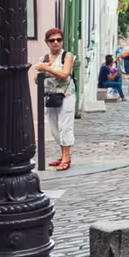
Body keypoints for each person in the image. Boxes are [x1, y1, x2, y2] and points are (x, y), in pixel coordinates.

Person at [38, 27, 75, 170]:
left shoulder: (67, 56)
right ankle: (63, 155)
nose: (55, 43)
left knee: (65, 125)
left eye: (58, 39)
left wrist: (46, 69)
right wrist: (40, 70)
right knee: (54, 128)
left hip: (66, 94)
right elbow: (37, 79)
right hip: (50, 95)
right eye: (52, 40)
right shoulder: (44, 58)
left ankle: (66, 157)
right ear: (47, 42)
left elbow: (65, 74)